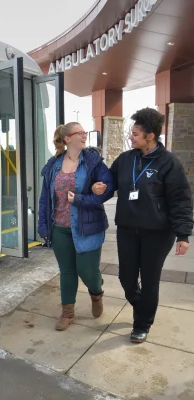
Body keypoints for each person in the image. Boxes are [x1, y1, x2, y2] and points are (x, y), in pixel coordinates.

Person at [92, 107, 194, 343]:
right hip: (127, 229)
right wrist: (99, 187)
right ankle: (143, 306)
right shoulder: (126, 159)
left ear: (150, 136)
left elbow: (181, 200)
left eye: (135, 134)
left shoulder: (169, 163)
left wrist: (183, 234)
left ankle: (142, 323)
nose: (131, 137)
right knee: (126, 278)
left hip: (158, 233)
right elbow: (109, 181)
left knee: (149, 279)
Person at [38, 122, 114, 331]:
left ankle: (96, 293)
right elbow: (45, 198)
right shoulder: (53, 165)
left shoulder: (93, 162)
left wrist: (91, 193)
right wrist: (43, 225)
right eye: (79, 133)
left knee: (87, 271)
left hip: (87, 227)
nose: (84, 135)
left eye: (84, 132)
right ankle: (67, 312)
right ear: (67, 139)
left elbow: (109, 187)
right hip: (60, 227)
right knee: (67, 271)